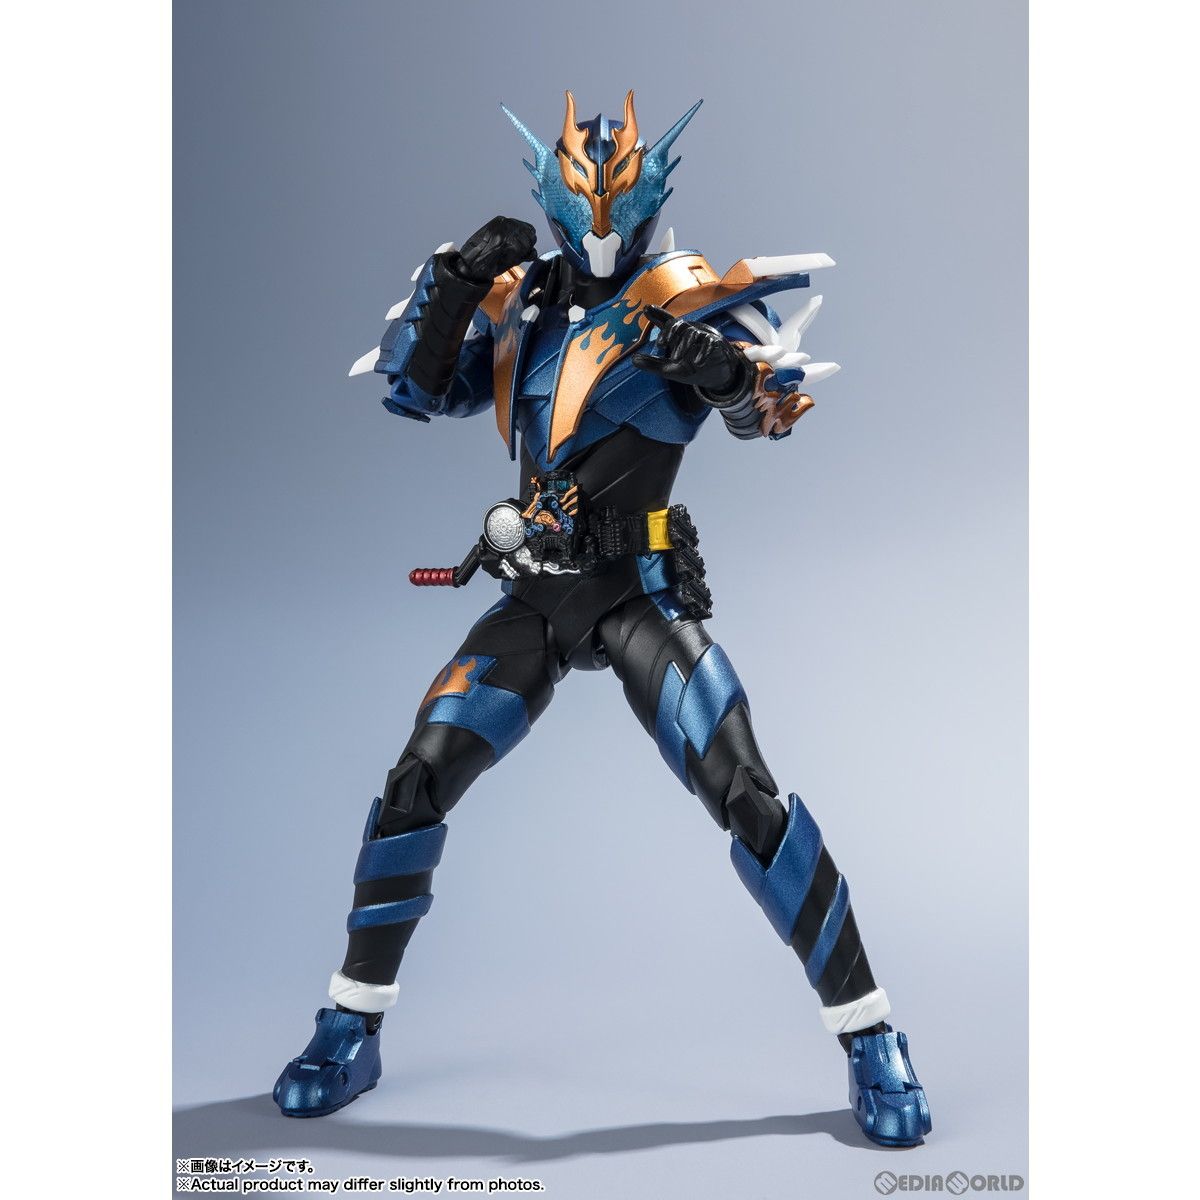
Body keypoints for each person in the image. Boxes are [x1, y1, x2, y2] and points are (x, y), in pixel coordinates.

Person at [273, 91, 930, 1148]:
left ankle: (871, 1034)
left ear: (650, 196)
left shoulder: (688, 297)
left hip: (638, 595)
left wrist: (722, 375)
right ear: (552, 197)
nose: (602, 229)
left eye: (619, 205)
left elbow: (771, 412)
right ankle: (351, 1024)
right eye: (583, 206)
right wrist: (452, 283)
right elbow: (415, 391)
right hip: (535, 593)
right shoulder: (521, 306)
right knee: (415, 781)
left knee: (748, 797)